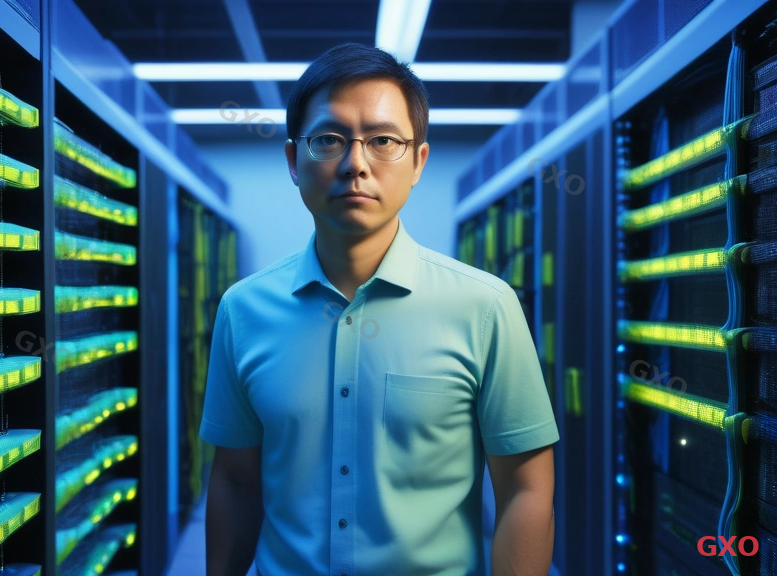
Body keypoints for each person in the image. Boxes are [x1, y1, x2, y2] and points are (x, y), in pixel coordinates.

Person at [200, 42, 558, 576]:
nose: (355, 164)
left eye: (383, 141)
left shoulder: (485, 307)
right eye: (329, 140)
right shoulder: (243, 310)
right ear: (294, 161)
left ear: (418, 162)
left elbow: (526, 490)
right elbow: (234, 479)